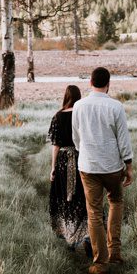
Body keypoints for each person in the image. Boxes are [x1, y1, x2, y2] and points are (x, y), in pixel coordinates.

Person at [71, 66, 134, 274]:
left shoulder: (79, 106)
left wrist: (84, 151)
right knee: (115, 202)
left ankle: (100, 263)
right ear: (108, 84)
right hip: (112, 166)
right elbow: (123, 138)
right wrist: (128, 164)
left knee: (94, 213)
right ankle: (115, 252)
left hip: (88, 166)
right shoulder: (116, 107)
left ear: (90, 82)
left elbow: (76, 136)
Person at [48, 85, 93, 255]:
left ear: (65, 97)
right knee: (84, 197)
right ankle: (88, 236)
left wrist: (53, 167)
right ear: (79, 96)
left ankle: (70, 238)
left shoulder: (58, 116)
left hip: (63, 163)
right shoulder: (82, 114)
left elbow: (56, 145)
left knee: (66, 200)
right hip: (83, 159)